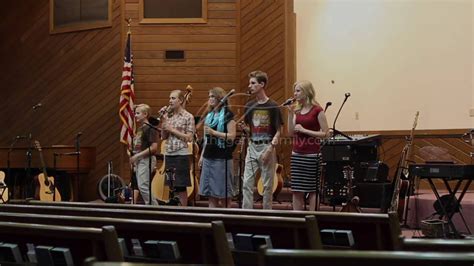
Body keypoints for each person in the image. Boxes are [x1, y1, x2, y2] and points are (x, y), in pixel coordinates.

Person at [239, 70, 283, 209]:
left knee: (267, 185)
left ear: (262, 84)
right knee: (246, 183)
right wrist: (244, 129)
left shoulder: (273, 106)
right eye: (249, 83)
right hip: (252, 146)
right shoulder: (249, 105)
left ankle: (266, 215)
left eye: (253, 83)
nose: (249, 86)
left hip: (267, 146)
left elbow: (279, 131)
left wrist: (270, 149)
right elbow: (250, 129)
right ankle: (247, 214)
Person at [287, 80, 329, 211]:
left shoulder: (317, 110)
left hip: (312, 155)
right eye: (295, 90)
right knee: (296, 189)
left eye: (298, 90)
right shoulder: (297, 111)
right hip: (297, 153)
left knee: (312, 189)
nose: (295, 93)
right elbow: (290, 132)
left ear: (307, 92)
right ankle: (297, 220)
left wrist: (305, 130)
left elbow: (326, 134)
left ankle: (313, 218)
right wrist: (289, 114)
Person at [198, 87, 236, 208]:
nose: (210, 99)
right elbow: (206, 139)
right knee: (211, 194)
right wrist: (202, 156)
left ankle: (225, 220)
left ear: (220, 98)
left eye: (213, 96)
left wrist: (214, 133)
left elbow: (231, 136)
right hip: (209, 156)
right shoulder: (209, 116)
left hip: (222, 158)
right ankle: (211, 220)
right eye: (209, 96)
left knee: (224, 194)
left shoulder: (228, 115)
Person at [160, 90, 195, 206]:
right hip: (169, 153)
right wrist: (163, 121)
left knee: (181, 185)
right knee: (171, 184)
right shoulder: (169, 116)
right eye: (170, 98)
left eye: (173, 98)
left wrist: (172, 130)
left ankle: (183, 211)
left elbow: (189, 138)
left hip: (181, 154)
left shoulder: (188, 116)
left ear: (180, 100)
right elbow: (164, 137)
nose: (170, 101)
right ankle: (173, 208)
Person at [130, 104, 159, 205]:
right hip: (140, 160)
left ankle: (155, 209)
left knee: (143, 186)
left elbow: (154, 148)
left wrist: (137, 156)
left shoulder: (150, 128)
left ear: (145, 114)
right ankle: (150, 207)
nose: (135, 115)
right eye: (135, 113)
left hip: (147, 159)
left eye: (138, 113)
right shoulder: (140, 129)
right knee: (142, 186)